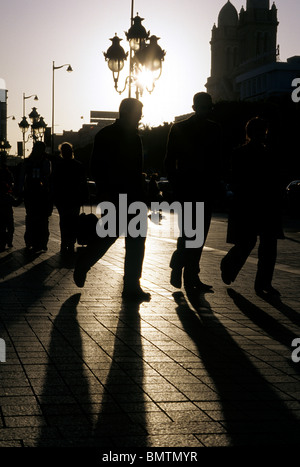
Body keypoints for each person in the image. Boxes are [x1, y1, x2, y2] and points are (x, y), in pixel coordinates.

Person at [73, 98, 150, 301]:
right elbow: (96, 166)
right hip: (115, 194)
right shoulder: (106, 135)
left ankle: (132, 285)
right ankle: (84, 262)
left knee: (136, 242)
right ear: (126, 113)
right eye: (138, 112)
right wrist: (104, 191)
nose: (141, 116)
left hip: (134, 196)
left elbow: (137, 169)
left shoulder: (135, 136)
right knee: (108, 236)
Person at [220, 117, 284, 297]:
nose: (262, 135)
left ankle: (263, 283)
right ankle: (229, 266)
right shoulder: (240, 153)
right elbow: (237, 180)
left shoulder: (270, 153)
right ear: (250, 133)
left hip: (266, 205)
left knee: (268, 246)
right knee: (248, 243)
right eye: (259, 131)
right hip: (249, 204)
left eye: (263, 131)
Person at [165, 92, 222, 292]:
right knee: (190, 233)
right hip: (187, 189)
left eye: (209, 106)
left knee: (198, 235)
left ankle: (189, 274)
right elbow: (170, 161)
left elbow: (219, 161)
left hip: (204, 189)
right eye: (204, 106)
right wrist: (177, 184)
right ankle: (184, 271)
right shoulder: (180, 128)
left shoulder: (214, 129)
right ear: (195, 107)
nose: (207, 110)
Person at [52, 142, 87, 254]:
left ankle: (64, 243)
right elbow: (83, 183)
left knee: (64, 221)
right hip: (75, 198)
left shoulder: (58, 165)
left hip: (62, 198)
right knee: (73, 221)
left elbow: (54, 182)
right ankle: (71, 243)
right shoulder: (78, 165)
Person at [21, 141, 52, 253]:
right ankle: (40, 242)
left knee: (33, 218)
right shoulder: (45, 162)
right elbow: (47, 179)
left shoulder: (28, 162)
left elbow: (22, 179)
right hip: (39, 194)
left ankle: (33, 241)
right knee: (40, 219)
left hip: (32, 193)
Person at [0, 155, 19, 251]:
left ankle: (2, 243)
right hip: (8, 213)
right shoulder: (8, 196)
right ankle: (9, 241)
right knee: (10, 228)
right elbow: (15, 203)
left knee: (2, 228)